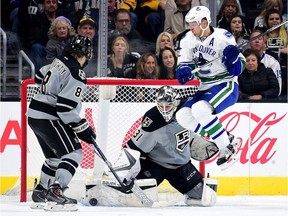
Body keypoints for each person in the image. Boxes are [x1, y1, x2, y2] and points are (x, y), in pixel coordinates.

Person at [27, 35, 96, 209]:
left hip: (34, 115)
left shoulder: (59, 61)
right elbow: (65, 108)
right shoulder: (76, 72)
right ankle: (56, 190)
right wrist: (82, 128)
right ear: (87, 54)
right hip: (49, 116)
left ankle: (41, 190)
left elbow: (38, 75)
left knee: (55, 157)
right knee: (74, 153)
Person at [175, 6, 246, 170]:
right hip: (204, 86)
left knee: (200, 109)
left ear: (204, 22)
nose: (190, 28)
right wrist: (183, 72)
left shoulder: (224, 38)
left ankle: (226, 149)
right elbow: (183, 67)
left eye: (193, 24)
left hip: (225, 84)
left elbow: (238, 69)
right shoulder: (188, 40)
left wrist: (232, 60)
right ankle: (225, 138)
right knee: (182, 116)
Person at [124, 86, 219, 206]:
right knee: (136, 200)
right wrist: (124, 173)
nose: (164, 110)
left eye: (168, 106)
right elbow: (133, 148)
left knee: (206, 198)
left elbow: (208, 122)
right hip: (155, 165)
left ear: (175, 103)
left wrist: (223, 140)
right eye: (160, 106)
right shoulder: (153, 120)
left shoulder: (188, 111)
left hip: (182, 166)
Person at [249, 29, 282, 96]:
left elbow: (278, 89)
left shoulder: (273, 62)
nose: (257, 41)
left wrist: (262, 96)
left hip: (267, 100)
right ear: (249, 42)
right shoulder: (242, 61)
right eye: (254, 39)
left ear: (264, 41)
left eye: (260, 38)